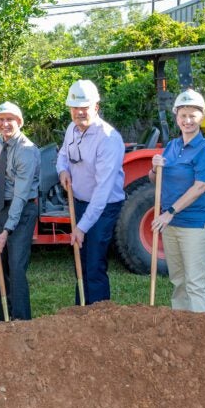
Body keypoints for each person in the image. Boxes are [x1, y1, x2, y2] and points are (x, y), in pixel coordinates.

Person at [150, 89, 205, 313]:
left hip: (194, 225)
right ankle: (181, 327)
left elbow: (199, 187)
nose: (188, 120)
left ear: (202, 117)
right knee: (178, 280)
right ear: (176, 117)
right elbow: (154, 179)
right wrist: (154, 168)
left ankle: (199, 331)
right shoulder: (171, 146)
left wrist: (170, 211)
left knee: (195, 282)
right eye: (183, 115)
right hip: (171, 225)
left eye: (193, 115)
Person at [56, 79, 125, 305]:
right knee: (81, 259)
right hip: (79, 200)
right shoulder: (71, 129)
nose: (79, 112)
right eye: (75, 108)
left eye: (84, 107)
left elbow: (103, 190)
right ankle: (81, 312)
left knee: (94, 261)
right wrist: (62, 171)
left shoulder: (108, 139)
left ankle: (98, 318)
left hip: (103, 206)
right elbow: (63, 156)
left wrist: (82, 227)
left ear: (96, 107)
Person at [0, 102, 40, 320]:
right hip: (3, 206)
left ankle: (21, 319)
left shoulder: (26, 150)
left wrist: (6, 230)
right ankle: (3, 316)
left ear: (19, 122)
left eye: (10, 119)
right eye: (1, 120)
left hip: (23, 210)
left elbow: (21, 194)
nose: (5, 124)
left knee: (15, 265)